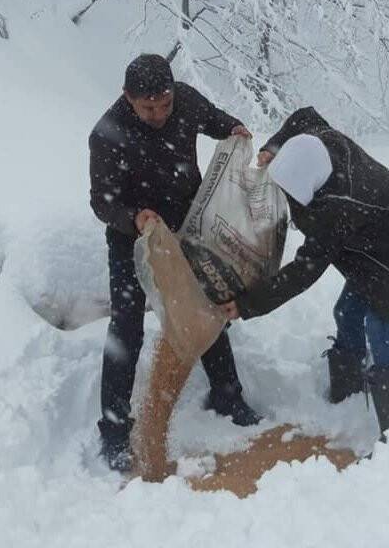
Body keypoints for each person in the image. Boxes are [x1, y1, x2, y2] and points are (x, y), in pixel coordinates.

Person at [219, 107, 389, 437]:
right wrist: (274, 147)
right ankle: (347, 397)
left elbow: (304, 271)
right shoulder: (321, 139)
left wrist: (247, 304)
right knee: (346, 311)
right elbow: (303, 116)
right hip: (376, 250)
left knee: (379, 327)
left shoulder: (338, 209)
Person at [88, 54, 261, 472]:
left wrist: (233, 128)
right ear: (127, 97)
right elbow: (101, 201)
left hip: (187, 226)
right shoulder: (107, 134)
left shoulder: (184, 100)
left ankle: (227, 396)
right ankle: (114, 431)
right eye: (148, 108)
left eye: (164, 104)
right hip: (134, 240)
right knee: (126, 330)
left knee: (207, 308)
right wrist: (134, 217)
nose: (159, 114)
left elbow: (215, 119)